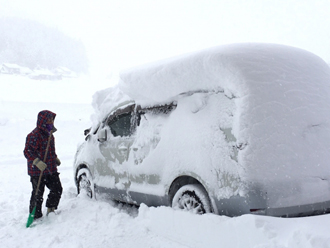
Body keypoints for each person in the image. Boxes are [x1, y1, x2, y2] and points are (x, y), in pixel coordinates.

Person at [24, 110, 63, 219]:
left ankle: (51, 208)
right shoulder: (34, 135)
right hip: (37, 171)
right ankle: (35, 215)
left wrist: (55, 158)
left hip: (50, 168)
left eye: (52, 119)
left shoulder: (50, 135)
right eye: (48, 119)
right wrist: (36, 162)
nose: (51, 121)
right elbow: (27, 151)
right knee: (38, 194)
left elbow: (49, 150)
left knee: (57, 188)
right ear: (43, 121)